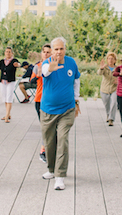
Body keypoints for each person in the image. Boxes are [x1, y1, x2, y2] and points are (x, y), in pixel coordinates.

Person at [40, 37, 81, 190]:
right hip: (48, 110)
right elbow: (44, 72)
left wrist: (77, 101)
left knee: (62, 139)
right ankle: (51, 169)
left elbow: (76, 81)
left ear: (65, 49)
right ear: (51, 50)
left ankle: (60, 176)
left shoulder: (71, 63)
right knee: (49, 142)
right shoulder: (47, 63)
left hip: (67, 109)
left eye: (61, 49)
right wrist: (51, 68)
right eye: (55, 49)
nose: (58, 52)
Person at [30, 44, 52, 162]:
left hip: (52, 100)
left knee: (50, 127)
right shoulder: (37, 66)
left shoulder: (53, 66)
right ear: (41, 53)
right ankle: (43, 150)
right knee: (45, 127)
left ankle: (48, 148)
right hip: (39, 100)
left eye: (48, 52)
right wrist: (37, 75)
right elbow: (31, 81)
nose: (46, 54)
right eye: (44, 52)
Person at [0, 47, 20, 123]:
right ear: (5, 53)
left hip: (10, 82)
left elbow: (18, 64)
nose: (8, 53)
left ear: (12, 53)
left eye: (9, 52)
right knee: (4, 97)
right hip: (3, 82)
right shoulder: (2, 61)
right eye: (6, 51)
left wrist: (17, 65)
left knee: (9, 97)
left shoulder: (14, 61)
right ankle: (8, 113)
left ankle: (6, 116)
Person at [97, 52, 118, 126]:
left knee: (114, 103)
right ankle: (108, 114)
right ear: (107, 60)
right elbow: (99, 73)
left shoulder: (117, 68)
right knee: (107, 105)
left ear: (115, 60)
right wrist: (101, 68)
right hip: (104, 89)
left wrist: (118, 81)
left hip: (114, 89)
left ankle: (111, 119)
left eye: (112, 59)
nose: (110, 60)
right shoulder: (104, 67)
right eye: (109, 58)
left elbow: (121, 77)